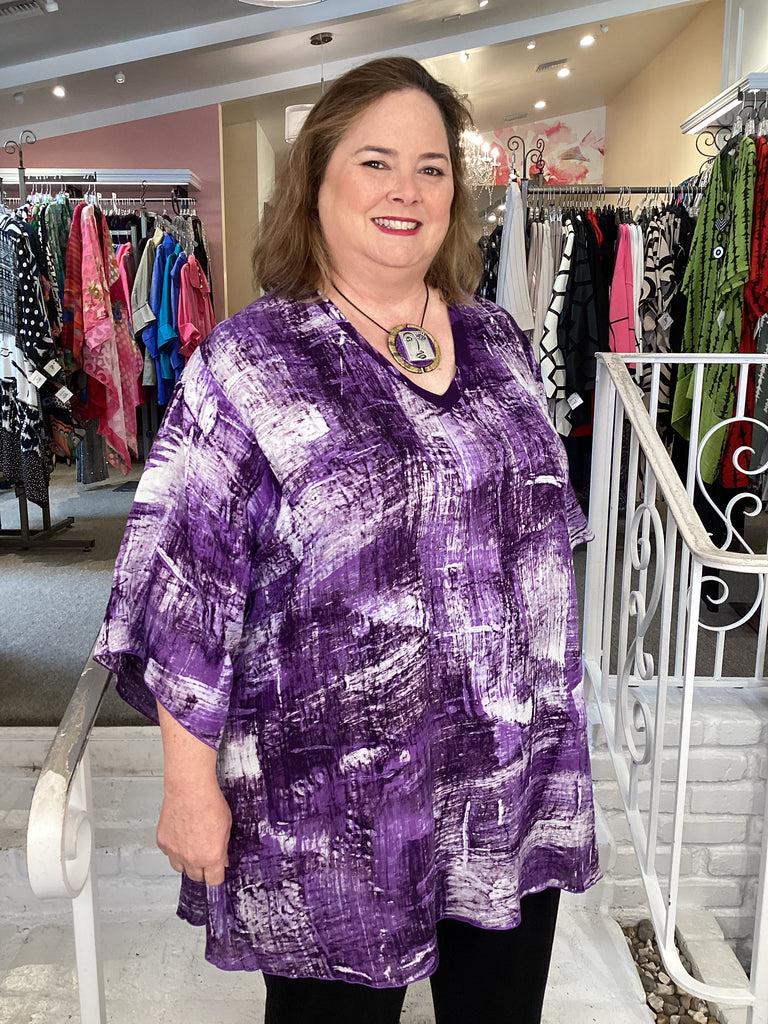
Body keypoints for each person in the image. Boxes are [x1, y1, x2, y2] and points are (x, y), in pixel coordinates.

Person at [94, 56, 600, 1024]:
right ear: (316, 182)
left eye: (431, 168)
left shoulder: (498, 340)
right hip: (330, 805)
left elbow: (537, 542)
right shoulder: (250, 362)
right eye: (375, 162)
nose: (406, 190)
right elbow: (183, 593)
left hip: (505, 776)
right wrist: (188, 788)